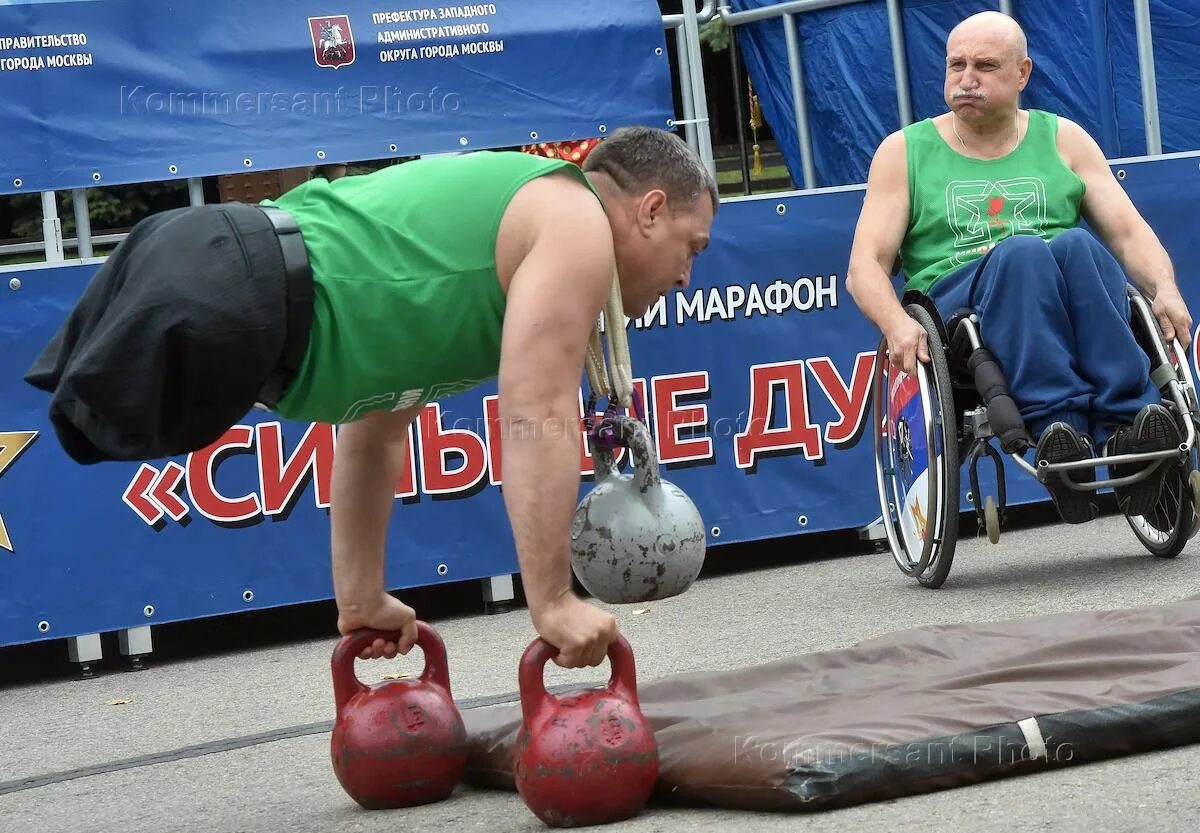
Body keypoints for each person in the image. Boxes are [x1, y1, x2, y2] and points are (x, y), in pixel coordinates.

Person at [24, 126, 717, 667]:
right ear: (650, 210)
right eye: (693, 247)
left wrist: (359, 596)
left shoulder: (481, 266)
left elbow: (373, 433)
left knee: (81, 431)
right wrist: (554, 601)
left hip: (212, 271)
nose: (687, 275)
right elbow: (537, 415)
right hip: (234, 284)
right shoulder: (576, 222)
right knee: (81, 431)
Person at [845, 11, 1193, 524]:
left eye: (984, 66)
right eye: (956, 65)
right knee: (1023, 252)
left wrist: (1165, 288)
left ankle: (1134, 422)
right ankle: (1061, 429)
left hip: (1062, 288)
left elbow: (1126, 231)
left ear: (1023, 73)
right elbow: (865, 267)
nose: (966, 80)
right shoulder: (905, 152)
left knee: (1077, 244)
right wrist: (895, 323)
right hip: (960, 304)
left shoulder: (1064, 139)